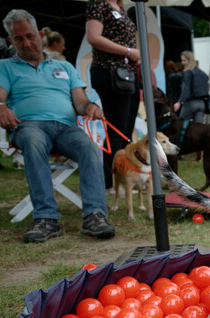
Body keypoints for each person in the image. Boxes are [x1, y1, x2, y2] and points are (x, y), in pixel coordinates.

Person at [0, 9, 114, 242]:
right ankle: (46, 218)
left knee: (90, 147)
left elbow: (81, 101)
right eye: (19, 38)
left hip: (65, 127)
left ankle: (95, 215)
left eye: (30, 36)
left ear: (41, 34)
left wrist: (90, 108)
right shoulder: (4, 66)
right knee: (34, 141)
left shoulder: (65, 68)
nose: (26, 42)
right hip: (29, 126)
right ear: (10, 41)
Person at [86, 0, 141, 191]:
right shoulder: (98, 4)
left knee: (125, 131)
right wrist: (128, 51)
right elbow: (93, 37)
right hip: (110, 73)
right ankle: (111, 181)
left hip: (127, 74)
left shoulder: (120, 6)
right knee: (116, 131)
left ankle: (124, 178)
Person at [177, 50, 209, 123]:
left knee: (181, 124)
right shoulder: (203, 73)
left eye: (184, 61)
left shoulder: (188, 73)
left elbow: (186, 89)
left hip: (190, 103)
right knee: (198, 127)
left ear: (189, 60)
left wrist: (180, 101)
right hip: (202, 104)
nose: (182, 63)